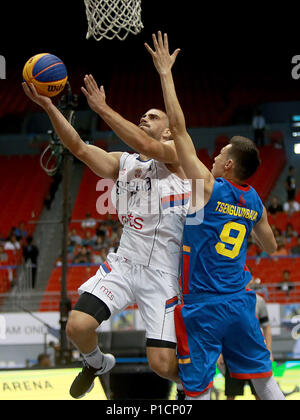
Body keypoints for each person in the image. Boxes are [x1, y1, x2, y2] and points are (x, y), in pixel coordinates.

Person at [22, 77, 190, 399]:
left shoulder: (177, 155)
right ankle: (96, 363)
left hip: (162, 273)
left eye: (153, 117)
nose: (145, 118)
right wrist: (48, 107)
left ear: (169, 130)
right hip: (124, 264)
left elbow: (147, 145)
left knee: (162, 364)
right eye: (144, 115)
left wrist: (101, 108)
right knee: (78, 326)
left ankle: (191, 385)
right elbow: (80, 148)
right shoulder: (123, 163)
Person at [145, 31, 285, 400]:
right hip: (240, 301)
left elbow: (180, 128)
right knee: (262, 377)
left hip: (203, 306)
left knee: (197, 388)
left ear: (228, 164)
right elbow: (271, 247)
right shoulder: (254, 201)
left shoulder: (209, 186)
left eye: (220, 153)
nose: (214, 156)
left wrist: (165, 73)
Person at [217, 275, 273, 400]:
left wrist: (269, 350)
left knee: (259, 393)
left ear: (251, 279)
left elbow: (267, 327)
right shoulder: (228, 301)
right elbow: (222, 328)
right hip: (232, 353)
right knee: (230, 393)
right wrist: (219, 351)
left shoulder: (259, 301)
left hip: (255, 354)